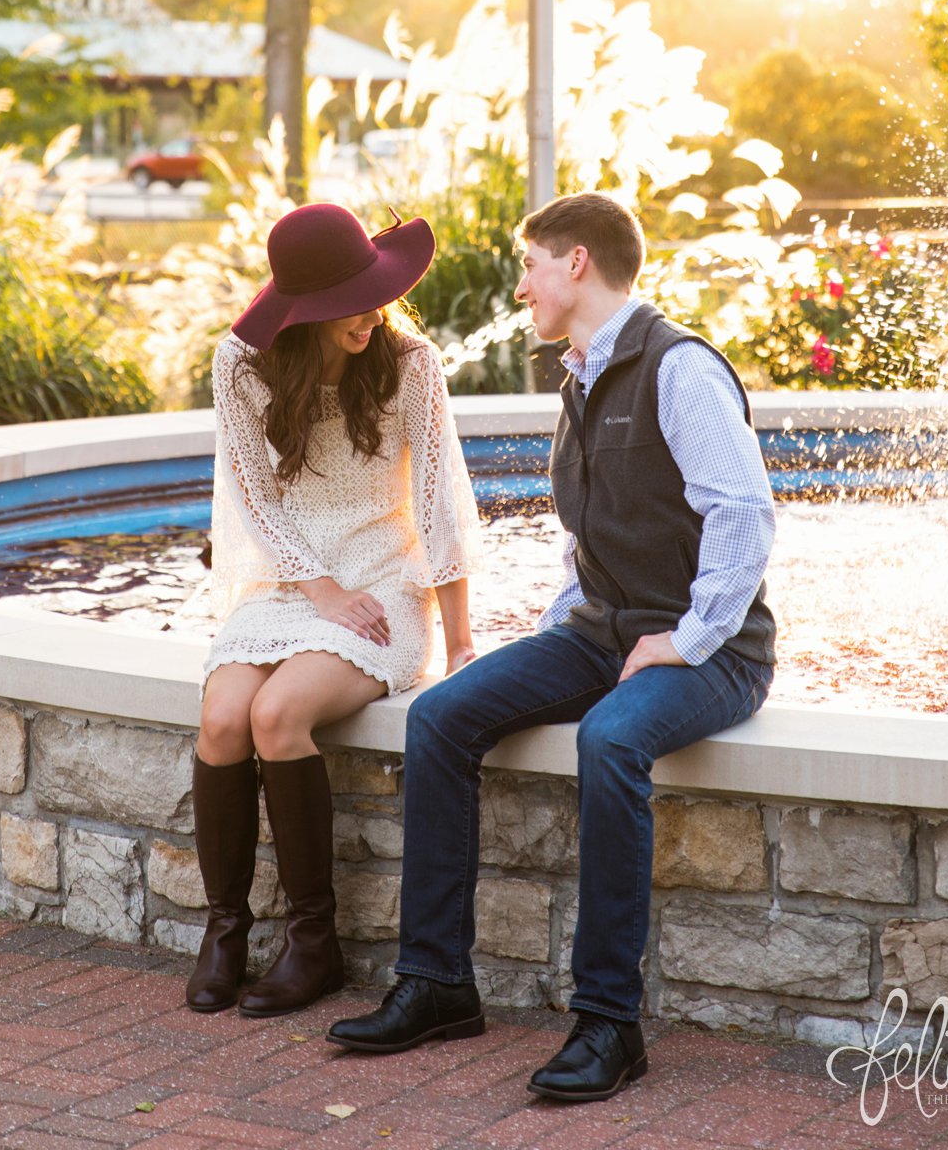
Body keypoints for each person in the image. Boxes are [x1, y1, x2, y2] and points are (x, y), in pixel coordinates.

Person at [328, 191, 777, 1103]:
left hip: (711, 651)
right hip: (598, 630)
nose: (520, 282)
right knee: (444, 715)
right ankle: (438, 983)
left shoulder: (679, 368)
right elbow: (586, 533)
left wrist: (689, 640)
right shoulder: (576, 371)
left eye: (529, 263)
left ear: (576, 263)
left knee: (609, 740)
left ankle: (608, 1022)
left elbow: (745, 515)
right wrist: (550, 641)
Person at [187, 200, 481, 1020]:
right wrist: (317, 587)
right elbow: (252, 493)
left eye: (371, 293)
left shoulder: (409, 364)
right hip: (289, 584)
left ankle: (313, 942)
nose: (366, 315)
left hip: (382, 586)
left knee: (278, 714)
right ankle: (226, 931)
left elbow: (437, 506)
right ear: (300, 311)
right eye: (343, 304)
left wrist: (459, 648)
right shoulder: (240, 365)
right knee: (222, 720)